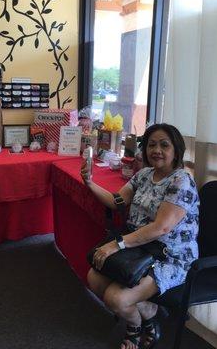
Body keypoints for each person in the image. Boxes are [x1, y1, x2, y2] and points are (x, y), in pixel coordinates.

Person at [81, 123, 199, 349]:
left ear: (177, 150)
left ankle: (133, 327)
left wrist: (117, 245)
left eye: (164, 145)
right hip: (140, 248)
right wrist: (89, 182)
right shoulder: (144, 174)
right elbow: (118, 202)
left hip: (170, 256)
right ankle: (148, 315)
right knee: (94, 278)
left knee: (116, 299)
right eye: (151, 145)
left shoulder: (181, 181)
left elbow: (161, 228)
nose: (157, 150)